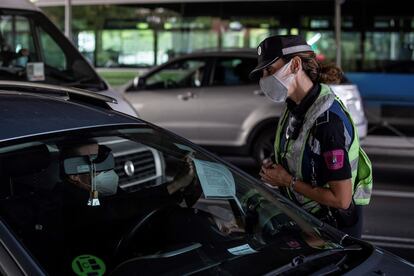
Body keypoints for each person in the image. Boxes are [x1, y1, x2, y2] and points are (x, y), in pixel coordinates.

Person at [249, 35, 373, 238]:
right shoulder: (294, 107)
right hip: (307, 223)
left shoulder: (328, 121)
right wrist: (275, 168)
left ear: (295, 64)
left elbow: (341, 199)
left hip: (333, 232)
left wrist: (286, 180)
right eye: (263, 72)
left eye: (270, 70)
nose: (265, 78)